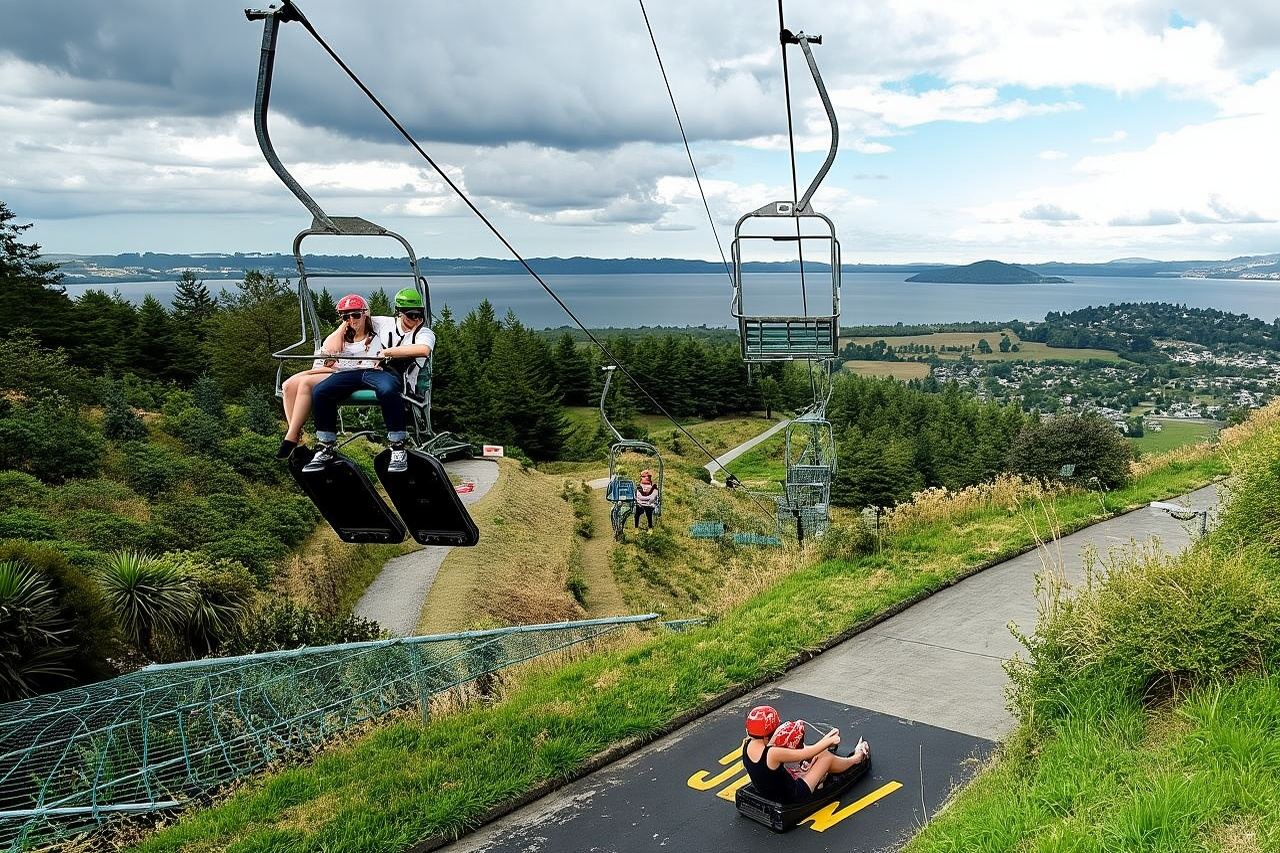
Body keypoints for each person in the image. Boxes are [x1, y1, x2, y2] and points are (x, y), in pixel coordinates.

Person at [302, 290, 435, 474]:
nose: (415, 319)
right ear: (399, 313)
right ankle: (325, 444)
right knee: (321, 391)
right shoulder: (385, 323)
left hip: (384, 371)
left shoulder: (424, 333)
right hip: (357, 370)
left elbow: (423, 349)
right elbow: (359, 317)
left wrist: (387, 353)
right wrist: (345, 322)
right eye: (410, 315)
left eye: (419, 314)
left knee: (387, 390)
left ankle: (397, 445)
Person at [741, 705, 870, 804]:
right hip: (792, 795)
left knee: (820, 754)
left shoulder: (747, 745)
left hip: (765, 791)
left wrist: (824, 742)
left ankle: (821, 775)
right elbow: (805, 753)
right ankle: (857, 759)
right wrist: (828, 741)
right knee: (826, 758)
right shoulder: (772, 753)